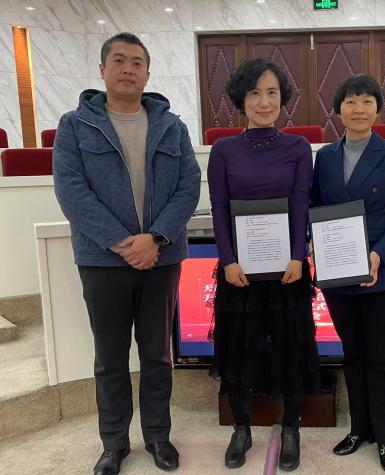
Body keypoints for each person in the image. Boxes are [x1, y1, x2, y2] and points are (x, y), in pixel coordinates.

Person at [53, 32, 200, 475]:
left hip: (161, 258)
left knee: (157, 354)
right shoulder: (75, 126)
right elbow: (72, 193)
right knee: (110, 358)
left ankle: (158, 436)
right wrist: (123, 243)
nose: (128, 69)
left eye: (137, 62)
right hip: (102, 261)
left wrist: (154, 238)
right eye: (119, 60)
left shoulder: (172, 126)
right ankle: (114, 443)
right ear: (102, 70)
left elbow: (188, 187)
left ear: (147, 74)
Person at [207, 58, 319, 472]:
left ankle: (291, 427)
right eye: (255, 93)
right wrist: (227, 260)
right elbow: (219, 207)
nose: (264, 102)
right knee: (240, 351)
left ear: (282, 98)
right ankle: (242, 428)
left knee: (291, 349)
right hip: (239, 272)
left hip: (288, 268)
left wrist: (298, 255)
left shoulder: (297, 147)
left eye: (272, 92)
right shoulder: (223, 150)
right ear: (242, 99)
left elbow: (300, 202)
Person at [311, 74, 385, 474]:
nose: (358, 109)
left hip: (380, 273)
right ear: (337, 110)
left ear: (378, 109)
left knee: (379, 356)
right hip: (337, 274)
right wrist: (314, 244)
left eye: (367, 101)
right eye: (350, 102)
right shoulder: (324, 156)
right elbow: (314, 207)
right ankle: (359, 429)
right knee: (352, 353)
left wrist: (379, 253)